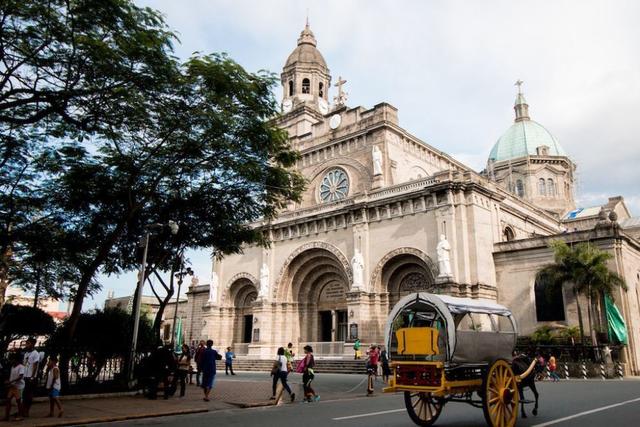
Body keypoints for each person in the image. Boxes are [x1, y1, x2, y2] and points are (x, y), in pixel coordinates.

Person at [21, 338, 39, 417]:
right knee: (24, 395)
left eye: (28, 343)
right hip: (25, 376)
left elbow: (35, 366)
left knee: (29, 395)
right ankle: (23, 410)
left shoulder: (35, 353)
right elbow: (24, 364)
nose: (26, 345)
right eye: (26, 343)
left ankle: (27, 411)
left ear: (32, 344)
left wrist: (32, 377)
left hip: (30, 378)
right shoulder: (26, 354)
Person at [4, 353, 24, 421]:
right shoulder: (12, 367)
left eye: (11, 360)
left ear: (15, 360)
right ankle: (6, 416)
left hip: (19, 386)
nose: (10, 361)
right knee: (8, 400)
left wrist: (10, 381)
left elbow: (20, 377)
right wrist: (10, 382)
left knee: (18, 401)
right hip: (13, 386)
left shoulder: (21, 367)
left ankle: (20, 415)